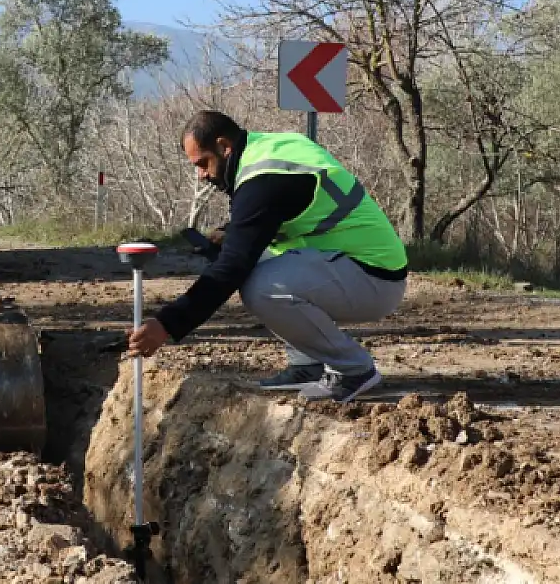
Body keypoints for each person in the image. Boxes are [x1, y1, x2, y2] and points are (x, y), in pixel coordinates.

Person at [127, 109, 408, 401]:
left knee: (261, 287)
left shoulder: (262, 181)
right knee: (253, 259)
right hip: (356, 264)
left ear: (224, 147)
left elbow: (231, 268)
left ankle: (353, 369)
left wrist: (166, 324)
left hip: (375, 279)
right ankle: (306, 365)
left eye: (203, 163)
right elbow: (281, 210)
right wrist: (231, 232)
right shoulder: (268, 150)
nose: (201, 175)